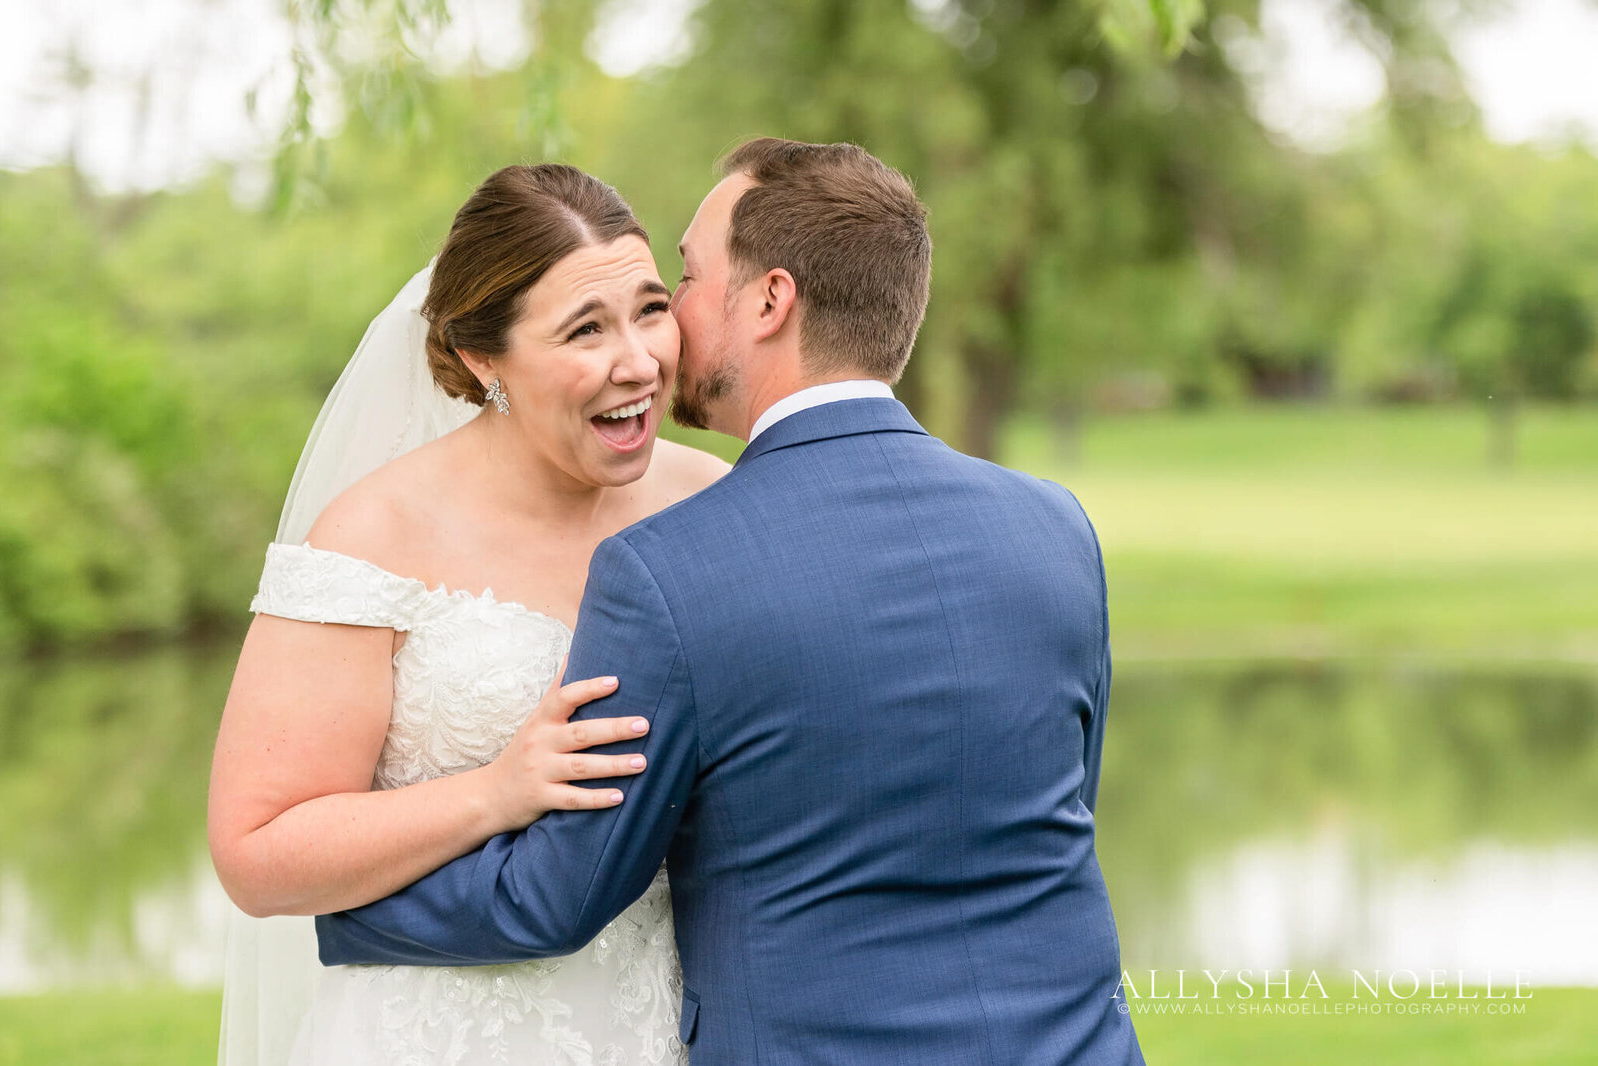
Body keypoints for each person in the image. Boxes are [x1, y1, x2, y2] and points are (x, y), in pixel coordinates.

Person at [317, 138, 1144, 1064]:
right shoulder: (1055, 530)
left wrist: (336, 914)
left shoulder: (670, 566)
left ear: (769, 300)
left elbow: (554, 896)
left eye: (684, 280)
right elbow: (1055, 807)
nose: (670, 326)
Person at [207, 163, 728, 1065]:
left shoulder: (712, 502)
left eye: (650, 309)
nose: (639, 362)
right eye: (584, 330)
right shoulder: (375, 533)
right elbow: (257, 851)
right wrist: (494, 791)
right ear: (485, 357)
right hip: (436, 1032)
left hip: (655, 1023)